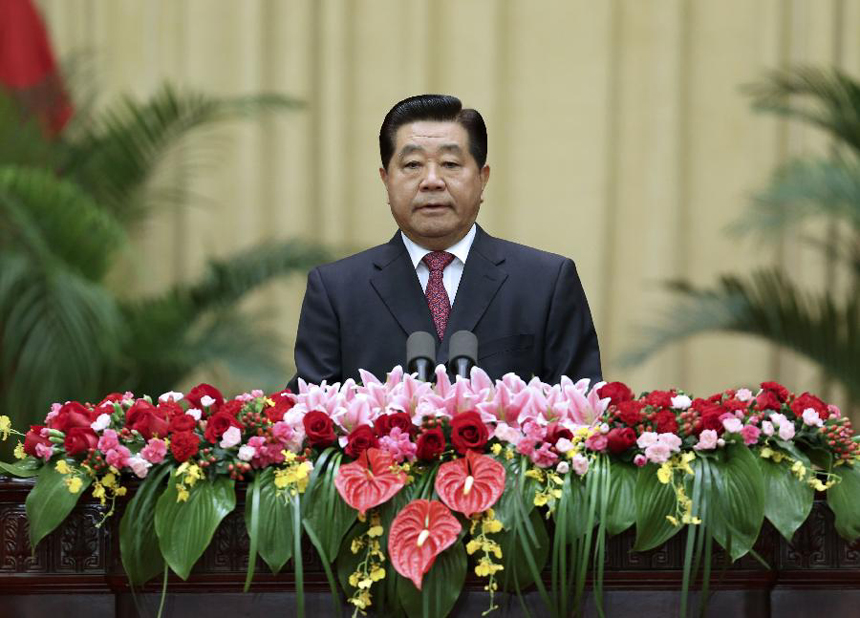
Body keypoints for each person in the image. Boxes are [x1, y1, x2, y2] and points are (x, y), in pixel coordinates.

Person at [288, 94, 601, 390]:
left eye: (451, 164)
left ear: (482, 178)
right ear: (386, 180)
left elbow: (581, 410)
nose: (432, 181)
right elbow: (309, 414)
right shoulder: (336, 290)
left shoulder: (546, 281)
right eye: (412, 165)